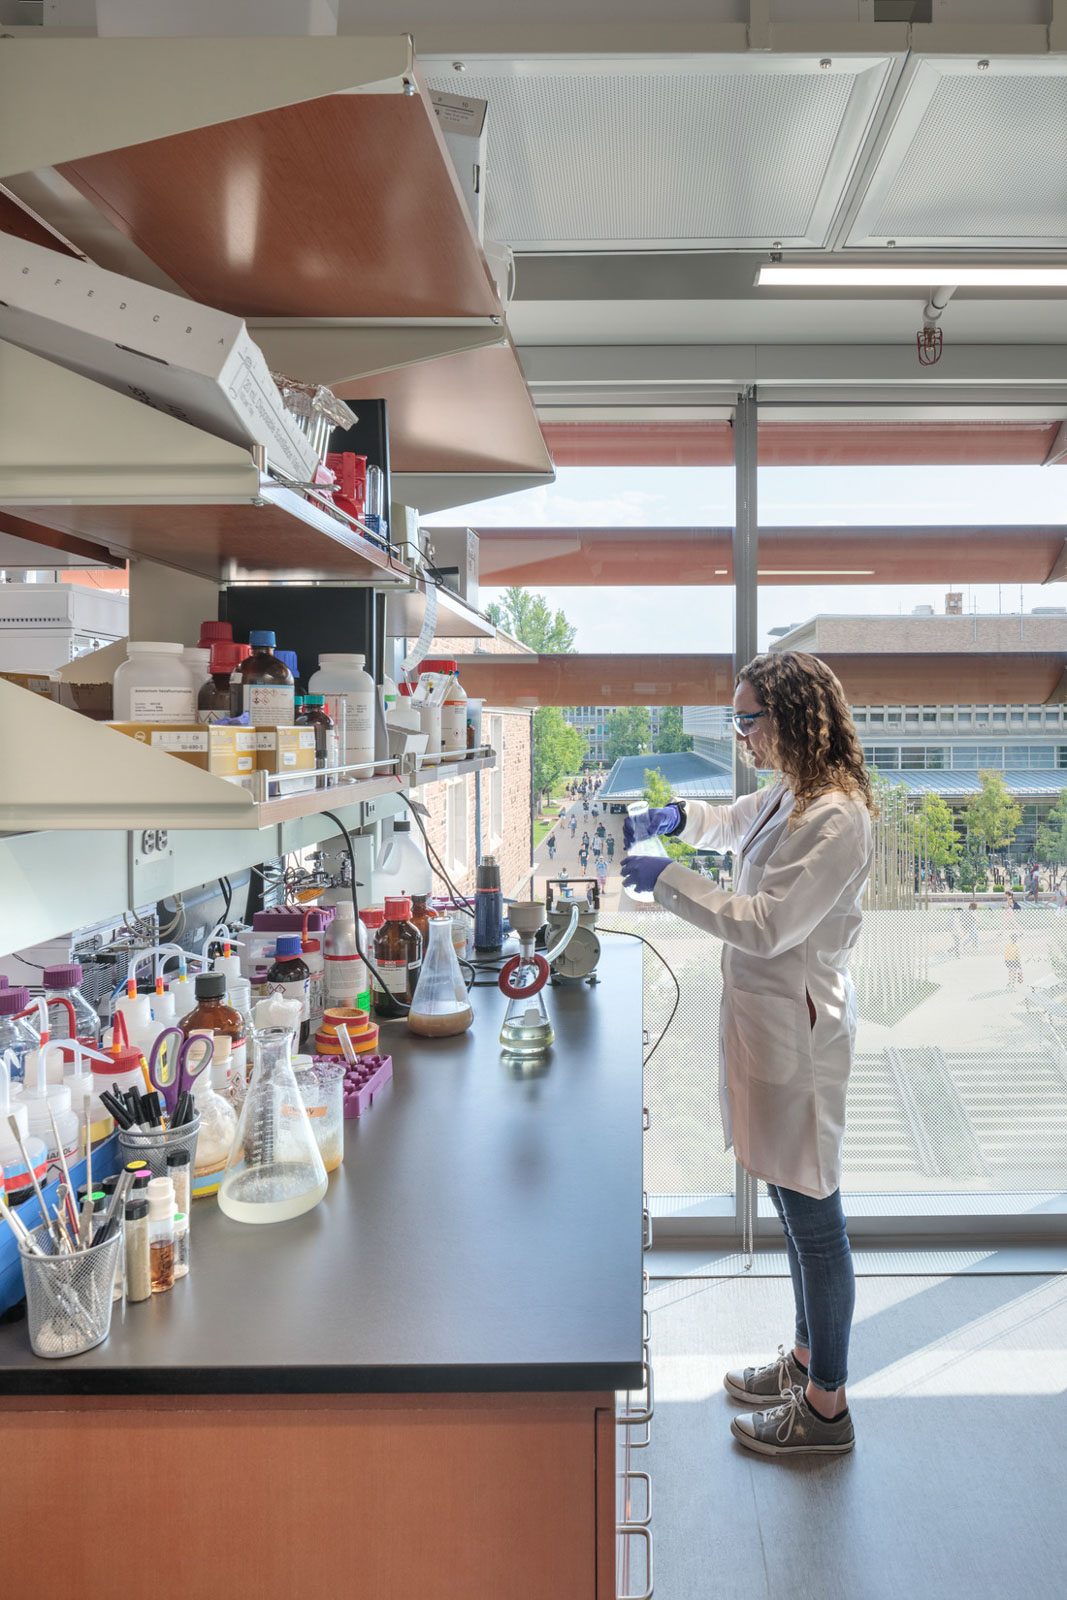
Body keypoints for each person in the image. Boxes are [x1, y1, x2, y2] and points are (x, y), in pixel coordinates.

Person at [620, 651, 875, 1459]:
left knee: (814, 1218)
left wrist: (667, 882)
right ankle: (805, 1361)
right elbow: (734, 823)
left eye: (746, 719)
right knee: (789, 1203)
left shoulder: (836, 817)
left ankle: (825, 1411)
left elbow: (766, 923)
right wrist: (678, 822)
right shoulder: (792, 795)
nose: (739, 736)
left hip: (798, 1037)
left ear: (791, 715)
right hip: (767, 1023)